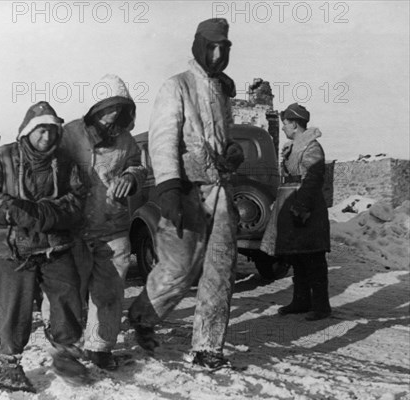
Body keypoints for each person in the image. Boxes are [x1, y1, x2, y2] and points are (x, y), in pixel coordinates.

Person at [127, 18, 245, 369]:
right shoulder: (176, 86)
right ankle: (143, 317)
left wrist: (233, 152)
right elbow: (163, 139)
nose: (217, 53)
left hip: (219, 189)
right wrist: (170, 191)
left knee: (221, 267)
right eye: (211, 46)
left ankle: (208, 347)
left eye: (224, 48)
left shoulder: (222, 91)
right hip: (185, 190)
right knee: (180, 266)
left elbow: (221, 139)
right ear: (198, 45)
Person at [0, 101, 87, 392]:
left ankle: (66, 354)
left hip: (54, 245)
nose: (46, 138)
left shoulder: (65, 162)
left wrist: (45, 215)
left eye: (51, 131)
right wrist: (14, 211)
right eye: (40, 131)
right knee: (15, 310)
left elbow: (76, 200)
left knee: (69, 299)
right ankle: (7, 364)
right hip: (13, 249)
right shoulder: (3, 158)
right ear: (27, 131)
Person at [59, 74, 147, 369]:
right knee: (68, 289)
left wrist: (130, 177)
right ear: (95, 108)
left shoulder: (125, 140)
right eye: (108, 108)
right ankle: (63, 343)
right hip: (74, 228)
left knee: (109, 290)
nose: (113, 116)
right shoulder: (69, 134)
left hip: (112, 225)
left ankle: (100, 346)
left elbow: (138, 164)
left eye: (119, 109)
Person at [260, 103, 331, 321]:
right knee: (298, 257)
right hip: (294, 209)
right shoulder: (295, 147)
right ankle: (301, 301)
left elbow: (312, 180)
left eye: (285, 124)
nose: (283, 129)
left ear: (294, 124)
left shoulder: (312, 148)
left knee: (313, 258)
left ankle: (321, 306)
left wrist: (301, 207)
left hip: (306, 210)